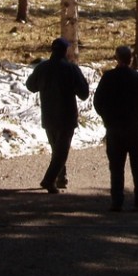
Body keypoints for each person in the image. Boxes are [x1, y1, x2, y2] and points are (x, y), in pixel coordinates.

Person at [93, 45, 138, 212]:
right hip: (135, 128)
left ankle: (117, 200)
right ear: (130, 59)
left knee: (116, 166)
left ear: (117, 58)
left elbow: (97, 102)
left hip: (114, 128)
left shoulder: (108, 77)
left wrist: (107, 117)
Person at [25, 37, 90, 193]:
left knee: (57, 149)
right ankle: (49, 180)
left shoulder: (42, 68)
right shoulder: (71, 69)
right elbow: (84, 93)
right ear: (65, 51)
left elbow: (30, 86)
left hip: (48, 115)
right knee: (62, 151)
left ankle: (61, 178)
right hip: (66, 116)